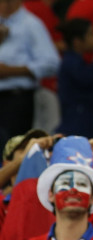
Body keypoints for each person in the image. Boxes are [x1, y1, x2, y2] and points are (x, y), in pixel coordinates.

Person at [0, 0, 59, 149]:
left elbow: (51, 63)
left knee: (13, 149)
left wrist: (12, 71)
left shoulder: (31, 25)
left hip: (15, 99)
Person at [56, 19, 93, 139]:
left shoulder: (77, 60)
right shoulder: (70, 61)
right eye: (91, 34)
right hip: (76, 125)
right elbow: (88, 77)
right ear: (77, 42)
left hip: (85, 120)